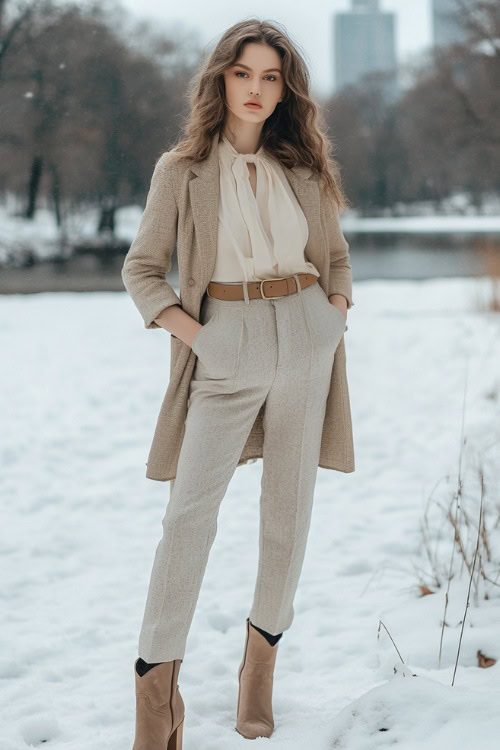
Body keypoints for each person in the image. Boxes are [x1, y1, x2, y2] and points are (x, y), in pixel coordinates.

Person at [121, 17, 355, 749]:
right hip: (226, 344)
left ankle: (259, 671)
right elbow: (142, 272)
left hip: (306, 339)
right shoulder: (182, 170)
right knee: (187, 519)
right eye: (243, 73)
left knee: (288, 518)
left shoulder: (306, 167)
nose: (256, 90)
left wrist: (333, 315)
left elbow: (338, 260)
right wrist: (204, 340)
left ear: (286, 90)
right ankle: (156, 697)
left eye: (271, 77)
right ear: (220, 79)